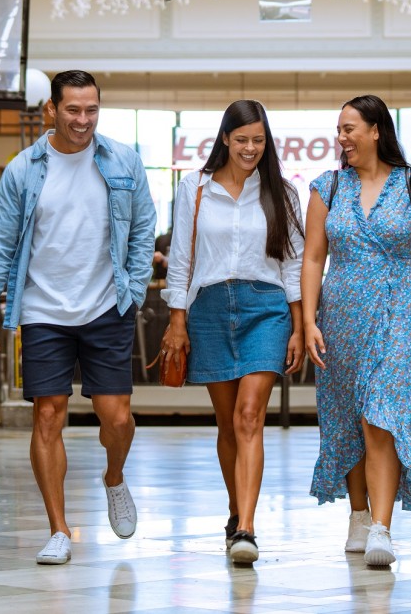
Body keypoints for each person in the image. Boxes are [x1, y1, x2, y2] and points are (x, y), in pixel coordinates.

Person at [0, 69, 156, 566]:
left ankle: (114, 477)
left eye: (91, 110)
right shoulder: (23, 170)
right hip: (42, 310)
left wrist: (133, 289)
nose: (83, 120)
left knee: (117, 418)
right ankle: (59, 529)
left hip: (106, 306)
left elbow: (143, 229)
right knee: (48, 414)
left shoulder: (124, 161)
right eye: (73, 110)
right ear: (51, 109)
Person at [300, 94, 411, 567]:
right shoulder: (326, 186)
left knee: (381, 415)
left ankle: (382, 528)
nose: (342, 137)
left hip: (399, 309)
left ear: (376, 131)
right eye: (339, 129)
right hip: (342, 311)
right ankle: (357, 514)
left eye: (349, 128)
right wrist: (309, 320)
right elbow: (313, 258)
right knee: (347, 413)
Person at [160, 100, 304, 565]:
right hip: (209, 310)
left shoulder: (282, 191)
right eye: (241, 139)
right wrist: (177, 320)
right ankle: (234, 509)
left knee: (248, 416)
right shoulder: (195, 189)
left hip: (267, 308)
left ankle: (247, 528)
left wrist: (301, 325)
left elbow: (296, 263)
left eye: (258, 140)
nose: (250, 148)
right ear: (225, 138)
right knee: (226, 423)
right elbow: (181, 257)